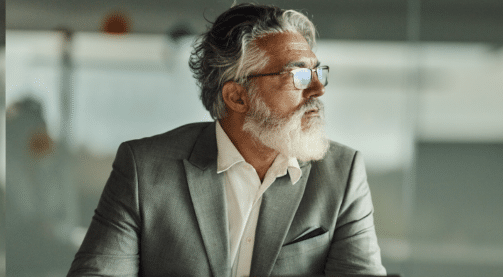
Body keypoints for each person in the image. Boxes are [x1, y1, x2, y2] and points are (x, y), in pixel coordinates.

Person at [68, 3, 386, 277]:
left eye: (319, 73)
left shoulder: (342, 174)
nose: (318, 89)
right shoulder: (144, 169)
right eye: (299, 75)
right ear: (237, 97)